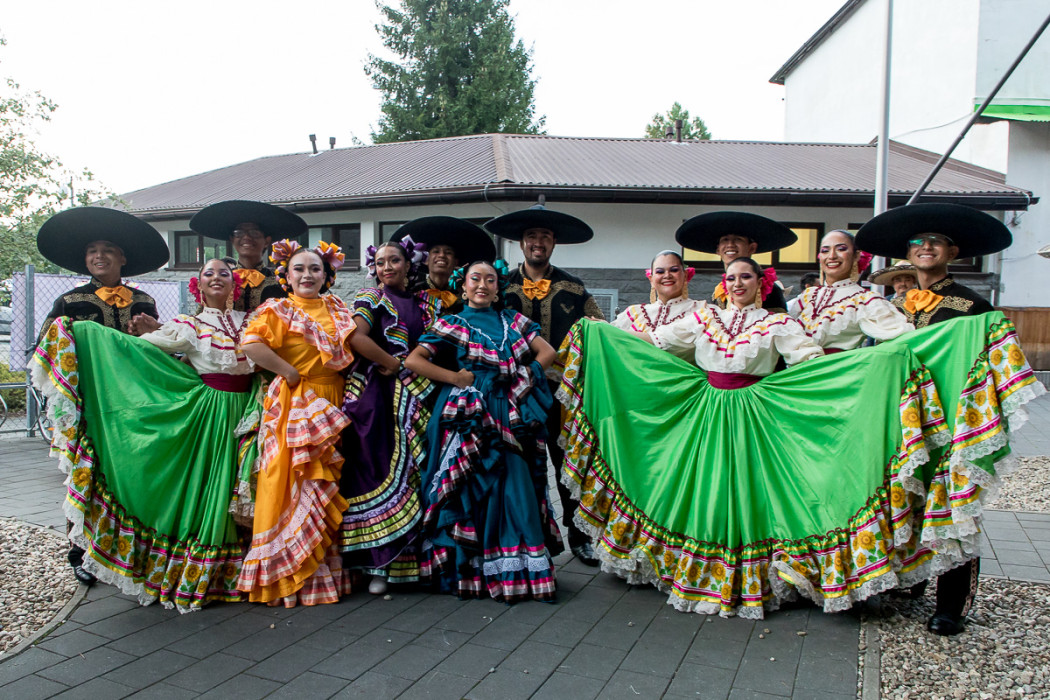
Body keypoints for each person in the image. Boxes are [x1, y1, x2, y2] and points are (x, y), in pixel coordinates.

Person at [30, 257, 261, 612]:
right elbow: (138, 350)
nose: (216, 277)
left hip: (250, 410)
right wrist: (86, 334)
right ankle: (204, 571)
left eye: (224, 273)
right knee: (208, 490)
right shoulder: (188, 324)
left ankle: (245, 566)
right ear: (198, 285)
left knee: (239, 488)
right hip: (210, 414)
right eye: (208, 273)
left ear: (235, 284)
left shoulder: (253, 321)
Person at [857, 203, 1042, 635]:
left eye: (935, 241)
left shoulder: (973, 306)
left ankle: (952, 605)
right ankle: (911, 580)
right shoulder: (890, 308)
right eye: (917, 242)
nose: (926, 247)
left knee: (955, 505)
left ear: (952, 252)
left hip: (954, 418)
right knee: (903, 497)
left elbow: (988, 360)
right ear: (907, 253)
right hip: (903, 419)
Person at [405, 259, 564, 602]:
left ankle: (516, 571)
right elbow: (413, 360)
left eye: (490, 280)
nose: (482, 285)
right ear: (463, 287)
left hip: (509, 409)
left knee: (516, 484)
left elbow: (548, 351)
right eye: (475, 279)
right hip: (470, 414)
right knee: (471, 487)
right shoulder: (451, 322)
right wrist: (455, 378)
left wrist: (525, 377)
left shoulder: (513, 321)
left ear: (497, 288)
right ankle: (473, 572)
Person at [34, 206, 169, 586]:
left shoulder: (143, 300)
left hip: (132, 403)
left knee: (127, 476)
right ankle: (79, 552)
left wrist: (153, 332)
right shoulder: (69, 301)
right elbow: (46, 347)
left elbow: (158, 350)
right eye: (93, 250)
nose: (99, 256)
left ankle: (129, 548)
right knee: (85, 473)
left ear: (122, 258)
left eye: (108, 249)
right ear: (85, 259)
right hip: (89, 402)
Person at [236, 240, 356, 607]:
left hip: (332, 400)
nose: (307, 275)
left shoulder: (338, 309)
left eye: (315, 269)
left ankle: (321, 573)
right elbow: (251, 344)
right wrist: (288, 371)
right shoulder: (278, 309)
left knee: (326, 485)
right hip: (296, 401)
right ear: (286, 276)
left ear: (326, 275)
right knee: (288, 481)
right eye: (299, 269)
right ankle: (285, 577)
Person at [488, 202, 605, 567]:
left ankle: (579, 535)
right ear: (521, 242)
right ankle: (528, 537)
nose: (538, 242)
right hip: (512, 392)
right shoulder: (500, 286)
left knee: (568, 463)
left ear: (554, 243)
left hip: (562, 393)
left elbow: (599, 334)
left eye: (545, 237)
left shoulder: (574, 288)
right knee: (518, 465)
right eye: (531, 236)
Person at [338, 235, 440, 594]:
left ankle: (412, 564)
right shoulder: (372, 297)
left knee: (415, 475)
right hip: (377, 397)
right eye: (380, 262)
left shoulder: (425, 303)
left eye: (394, 260)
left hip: (416, 395)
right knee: (375, 472)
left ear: (409, 265)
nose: (387, 267)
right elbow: (356, 337)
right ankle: (377, 566)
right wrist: (393, 363)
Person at [793, 230, 913, 352]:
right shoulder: (808, 296)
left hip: (839, 364)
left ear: (856, 256)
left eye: (841, 249)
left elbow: (902, 338)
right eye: (825, 250)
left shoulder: (865, 300)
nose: (832, 256)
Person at [189, 199, 307, 313]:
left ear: (267, 241)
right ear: (232, 239)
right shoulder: (222, 280)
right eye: (239, 233)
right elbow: (203, 315)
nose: (246, 237)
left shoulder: (280, 282)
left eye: (254, 233)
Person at [675, 211, 797, 313]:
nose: (730, 245)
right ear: (718, 249)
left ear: (751, 248)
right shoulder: (719, 290)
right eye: (725, 240)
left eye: (738, 239)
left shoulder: (769, 289)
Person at [392, 216, 497, 314]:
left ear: (456, 262)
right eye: (436, 251)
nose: (442, 255)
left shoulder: (466, 294)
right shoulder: (413, 293)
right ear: (426, 259)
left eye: (448, 252)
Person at [611, 250, 706, 356]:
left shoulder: (702, 311)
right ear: (651, 279)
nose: (667, 275)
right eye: (660, 272)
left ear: (685, 275)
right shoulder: (634, 314)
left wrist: (611, 331)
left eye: (674, 270)